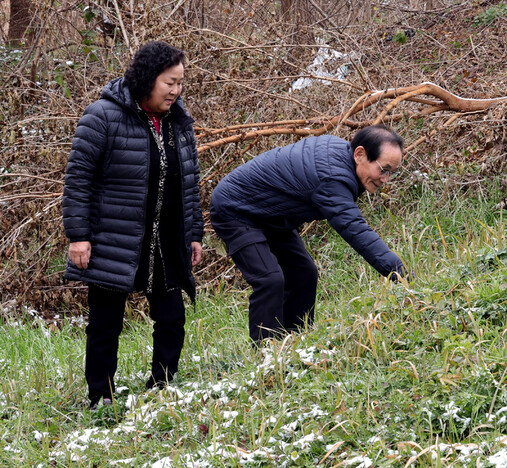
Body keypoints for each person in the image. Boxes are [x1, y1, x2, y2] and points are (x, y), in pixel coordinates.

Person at [63, 41, 204, 409]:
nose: (175, 90)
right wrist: (78, 236)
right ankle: (100, 397)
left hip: (166, 238)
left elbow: (190, 181)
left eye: (180, 83)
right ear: (147, 79)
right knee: (106, 323)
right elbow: (78, 179)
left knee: (171, 317)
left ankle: (163, 385)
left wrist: (193, 233)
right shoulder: (103, 116)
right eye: (169, 82)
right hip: (115, 236)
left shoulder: (179, 122)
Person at [209, 125, 409, 343]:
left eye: (391, 172)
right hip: (236, 210)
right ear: (359, 154)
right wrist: (402, 276)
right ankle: (266, 357)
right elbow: (356, 230)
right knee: (270, 280)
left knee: (304, 273)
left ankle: (296, 342)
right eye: (383, 169)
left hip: (272, 215)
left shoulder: (343, 159)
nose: (385, 179)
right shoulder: (332, 178)